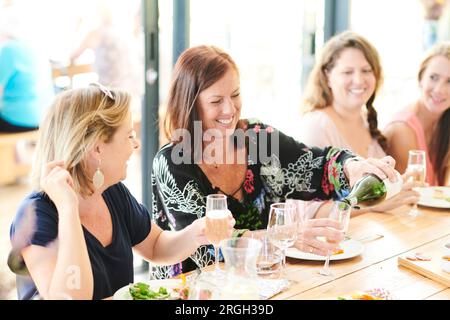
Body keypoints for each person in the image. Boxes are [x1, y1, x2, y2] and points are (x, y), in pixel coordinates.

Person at [151, 45, 399, 279]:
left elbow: (317, 163)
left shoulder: (258, 139)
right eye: (216, 101)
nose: (230, 109)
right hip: (189, 291)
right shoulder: (173, 162)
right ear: (191, 105)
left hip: (259, 284)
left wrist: (353, 167)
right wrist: (285, 237)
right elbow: (207, 246)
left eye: (235, 95)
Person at [8, 84, 234, 300]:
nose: (135, 145)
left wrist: (198, 232)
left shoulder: (112, 193)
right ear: (97, 148)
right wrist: (68, 210)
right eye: (128, 136)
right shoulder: (37, 215)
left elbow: (155, 246)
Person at [297, 31, 422, 219]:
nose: (358, 80)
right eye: (348, 72)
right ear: (327, 76)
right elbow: (308, 214)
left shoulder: (365, 120)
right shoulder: (317, 125)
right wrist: (373, 206)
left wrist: (400, 188)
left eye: (366, 70)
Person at [384, 42, 450, 186]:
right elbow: (415, 195)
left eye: (449, 81)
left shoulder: (444, 122)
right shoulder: (402, 130)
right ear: (421, 79)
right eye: (433, 77)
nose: (439, 89)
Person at [0, 6, 54, 132]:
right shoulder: (35, 46)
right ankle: (17, 152)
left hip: (18, 120)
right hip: (44, 116)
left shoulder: (8, 50)